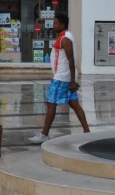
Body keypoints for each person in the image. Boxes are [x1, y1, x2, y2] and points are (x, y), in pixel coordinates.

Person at [30, 12, 91, 143]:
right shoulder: (64, 36)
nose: (53, 25)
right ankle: (87, 131)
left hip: (62, 78)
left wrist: (72, 82)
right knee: (74, 103)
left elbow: (70, 60)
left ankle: (44, 134)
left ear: (62, 24)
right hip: (63, 77)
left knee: (51, 103)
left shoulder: (65, 38)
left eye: (56, 23)